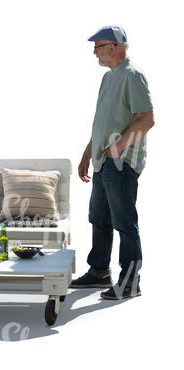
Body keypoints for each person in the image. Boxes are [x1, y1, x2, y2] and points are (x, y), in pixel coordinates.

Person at [70, 25, 154, 300]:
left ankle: (130, 282)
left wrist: (117, 148)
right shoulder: (108, 79)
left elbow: (147, 118)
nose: (94, 51)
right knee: (99, 218)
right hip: (102, 162)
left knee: (124, 223)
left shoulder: (133, 75)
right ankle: (98, 272)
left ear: (115, 47)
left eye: (98, 45)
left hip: (121, 163)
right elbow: (102, 123)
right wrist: (87, 154)